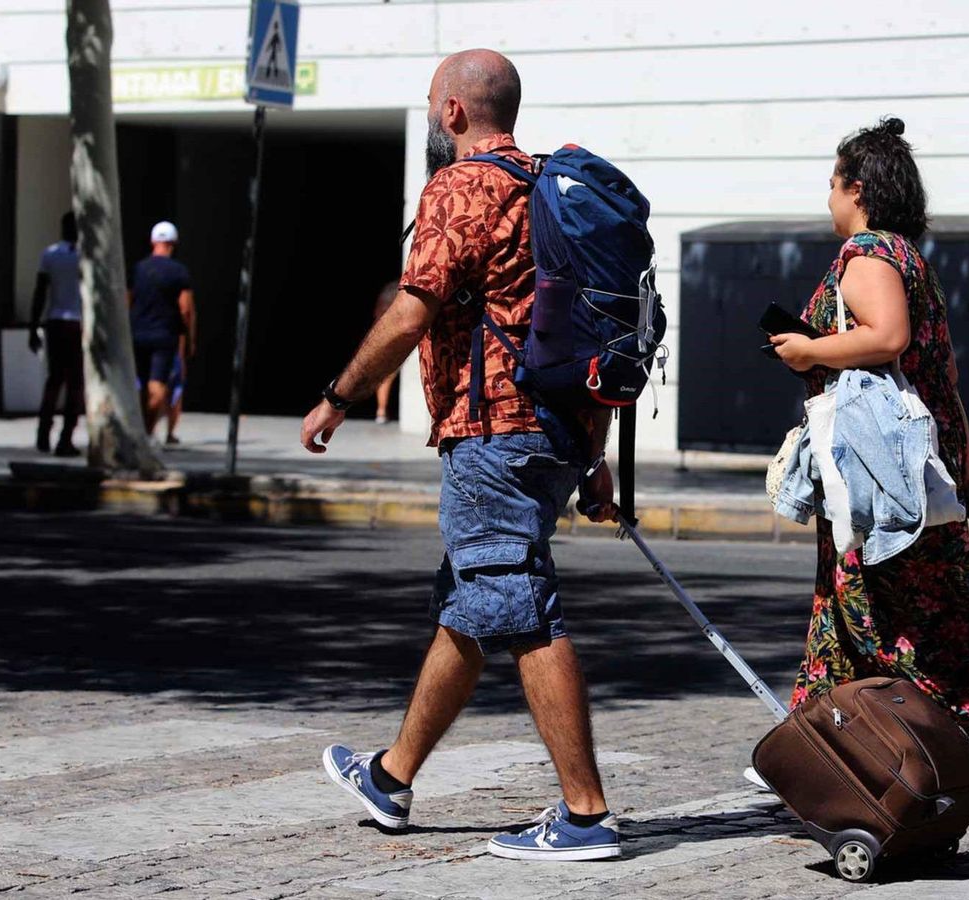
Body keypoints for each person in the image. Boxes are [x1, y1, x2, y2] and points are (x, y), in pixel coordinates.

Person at [301, 49, 623, 862]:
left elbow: (413, 312)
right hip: (551, 431)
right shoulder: (548, 189)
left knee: (520, 604)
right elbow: (589, 330)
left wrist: (338, 397)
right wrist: (593, 454)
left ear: (451, 113)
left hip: (491, 434)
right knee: (472, 601)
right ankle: (391, 776)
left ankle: (585, 816)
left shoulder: (462, 186)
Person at [766, 117, 969, 814]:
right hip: (913, 460)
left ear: (856, 190)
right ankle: (818, 739)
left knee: (905, 617)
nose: (827, 199)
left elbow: (884, 338)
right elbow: (942, 376)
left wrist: (808, 352)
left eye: (832, 185)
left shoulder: (867, 254)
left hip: (884, 472)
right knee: (849, 608)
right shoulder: (909, 257)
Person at [128, 221, 195, 438]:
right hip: (164, 337)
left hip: (137, 335)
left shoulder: (138, 269)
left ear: (152, 241)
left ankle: (142, 432)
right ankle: (146, 434)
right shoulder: (178, 271)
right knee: (158, 387)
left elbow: (126, 302)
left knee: (141, 385)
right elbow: (186, 309)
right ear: (173, 243)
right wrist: (190, 339)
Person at [29, 212, 85, 457]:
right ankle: (65, 437)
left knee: (55, 379)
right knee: (75, 383)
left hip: (56, 320)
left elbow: (40, 292)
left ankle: (44, 433)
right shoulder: (87, 256)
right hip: (78, 323)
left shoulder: (50, 254)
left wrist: (34, 325)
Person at [371, 280, 399, 423]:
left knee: (385, 375)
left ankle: (381, 411)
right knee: (387, 375)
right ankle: (381, 411)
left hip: (384, 332)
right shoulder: (398, 291)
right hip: (394, 333)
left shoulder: (387, 293)